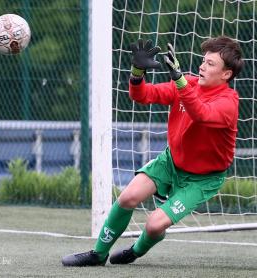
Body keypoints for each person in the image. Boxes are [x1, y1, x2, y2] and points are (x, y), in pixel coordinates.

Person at [62, 36, 244, 266]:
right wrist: (137, 72)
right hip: (170, 162)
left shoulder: (229, 102)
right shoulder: (187, 84)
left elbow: (201, 113)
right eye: (203, 60)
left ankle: (136, 250)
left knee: (154, 225)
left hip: (202, 179)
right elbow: (141, 95)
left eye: (210, 63)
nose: (202, 66)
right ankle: (97, 254)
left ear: (226, 74)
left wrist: (180, 81)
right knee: (127, 197)